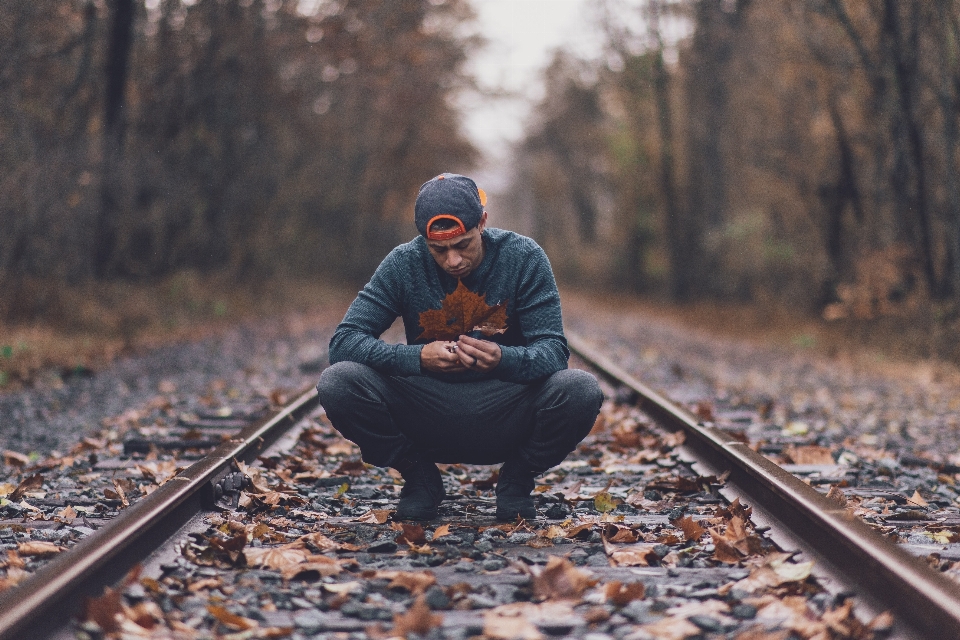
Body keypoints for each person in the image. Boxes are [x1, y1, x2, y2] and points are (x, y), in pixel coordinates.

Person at [317, 173, 602, 521]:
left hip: (505, 408)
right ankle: (420, 478)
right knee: (338, 382)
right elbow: (344, 343)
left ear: (482, 222)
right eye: (439, 250)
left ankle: (516, 480)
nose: (453, 260)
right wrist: (417, 358)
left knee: (581, 389)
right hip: (427, 408)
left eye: (463, 245)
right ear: (424, 239)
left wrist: (503, 359)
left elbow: (554, 352)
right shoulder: (403, 263)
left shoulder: (524, 257)